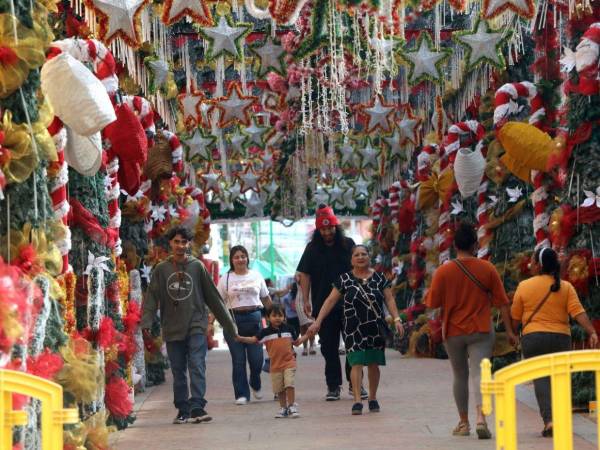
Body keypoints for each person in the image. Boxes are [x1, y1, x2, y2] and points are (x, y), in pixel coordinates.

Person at [424, 221, 518, 439]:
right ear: (475, 245)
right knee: (479, 373)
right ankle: (481, 418)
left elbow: (432, 304)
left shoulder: (443, 272)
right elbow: (503, 303)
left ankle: (464, 422)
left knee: (459, 375)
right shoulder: (487, 268)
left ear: (455, 246)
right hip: (481, 329)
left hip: (453, 331)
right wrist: (511, 332)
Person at [141, 226, 237, 424]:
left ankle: (197, 406)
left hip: (196, 324)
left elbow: (213, 297)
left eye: (184, 242)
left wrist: (229, 325)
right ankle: (183, 408)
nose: (180, 246)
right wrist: (146, 321)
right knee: (178, 370)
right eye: (176, 241)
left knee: (197, 364)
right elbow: (151, 297)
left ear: (189, 244)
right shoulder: (161, 269)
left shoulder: (197, 267)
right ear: (170, 243)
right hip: (172, 326)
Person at [511, 247, 599, 437]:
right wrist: (591, 331)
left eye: (533, 262)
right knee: (559, 377)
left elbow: (515, 317)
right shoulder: (566, 287)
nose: (530, 265)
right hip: (561, 339)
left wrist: (513, 334)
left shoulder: (524, 286)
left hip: (533, 338)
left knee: (541, 379)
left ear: (538, 265)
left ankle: (550, 421)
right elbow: (578, 312)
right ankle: (560, 418)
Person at [308, 245, 404, 415]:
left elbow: (389, 300)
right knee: (356, 362)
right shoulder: (344, 279)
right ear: (351, 259)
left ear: (369, 257)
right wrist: (318, 321)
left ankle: (373, 398)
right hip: (353, 329)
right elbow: (330, 301)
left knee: (374, 364)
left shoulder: (380, 278)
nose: (360, 257)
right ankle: (357, 401)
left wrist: (397, 319)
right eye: (357, 255)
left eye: (364, 254)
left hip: (375, 327)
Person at [297, 205, 366, 401]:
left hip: (350, 303)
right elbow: (305, 275)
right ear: (319, 230)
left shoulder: (348, 244)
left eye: (330, 228)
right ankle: (333, 385)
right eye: (323, 229)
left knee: (353, 345)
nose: (327, 232)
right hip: (323, 306)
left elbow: (360, 267)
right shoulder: (312, 249)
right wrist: (305, 299)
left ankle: (355, 383)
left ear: (336, 227)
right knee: (328, 347)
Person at [217, 245, 273, 405]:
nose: (240, 259)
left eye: (243, 256)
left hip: (254, 320)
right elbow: (217, 303)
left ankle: (255, 382)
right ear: (232, 261)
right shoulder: (225, 278)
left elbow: (266, 299)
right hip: (233, 322)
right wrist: (209, 322)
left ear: (247, 258)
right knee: (238, 360)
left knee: (256, 360)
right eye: (236, 257)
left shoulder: (256, 276)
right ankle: (241, 394)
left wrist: (277, 317)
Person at [236, 304, 308, 418]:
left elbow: (297, 342)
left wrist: (308, 335)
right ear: (268, 317)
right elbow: (254, 340)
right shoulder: (264, 332)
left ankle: (292, 406)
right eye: (274, 315)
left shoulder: (289, 329)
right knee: (279, 388)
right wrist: (241, 338)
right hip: (275, 365)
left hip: (289, 362)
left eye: (280, 315)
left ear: (284, 317)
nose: (278, 318)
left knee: (289, 384)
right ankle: (283, 408)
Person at [291, 273, 317, 356]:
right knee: (303, 324)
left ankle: (312, 346)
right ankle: (305, 347)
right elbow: (299, 281)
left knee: (310, 323)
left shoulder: (316, 271)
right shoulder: (298, 273)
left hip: (312, 300)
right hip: (300, 300)